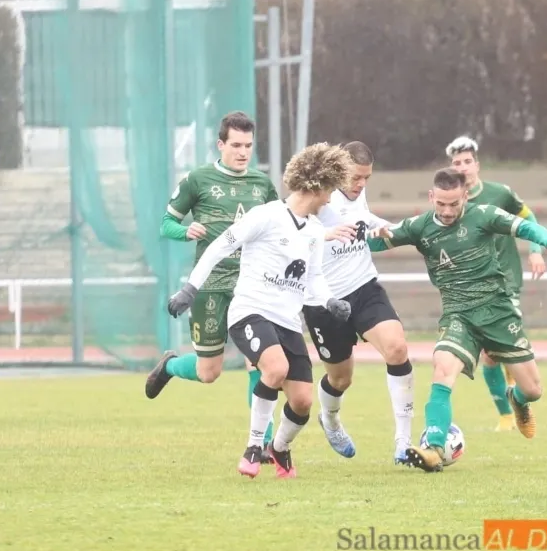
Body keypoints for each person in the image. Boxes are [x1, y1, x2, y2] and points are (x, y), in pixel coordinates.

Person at [367, 168, 547, 473]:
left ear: (465, 195)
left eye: (454, 203)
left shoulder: (485, 215)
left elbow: (525, 226)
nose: (447, 211)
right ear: (431, 197)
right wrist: (375, 235)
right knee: (442, 366)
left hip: (497, 312)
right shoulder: (418, 226)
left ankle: (515, 400)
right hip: (458, 314)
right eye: (441, 204)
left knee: (533, 390)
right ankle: (434, 448)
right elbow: (374, 244)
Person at [165, 143, 354, 479]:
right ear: (317, 185)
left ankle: (278, 449)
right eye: (329, 192)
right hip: (250, 312)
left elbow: (314, 279)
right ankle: (253, 446)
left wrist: (329, 302)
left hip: (287, 322)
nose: (329, 200)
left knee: (302, 402)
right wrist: (190, 289)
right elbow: (218, 247)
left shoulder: (312, 231)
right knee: (275, 368)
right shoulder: (266, 215)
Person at [145, 111, 278, 463]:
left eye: (248, 146)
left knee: (260, 364)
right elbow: (165, 224)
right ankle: (171, 366)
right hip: (209, 287)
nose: (242, 152)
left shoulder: (262, 184)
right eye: (235, 145)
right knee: (209, 373)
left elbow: (278, 229)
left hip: (251, 288)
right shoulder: (197, 180)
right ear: (220, 144)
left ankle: (262, 443)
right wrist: (184, 230)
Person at [303, 141, 416, 465]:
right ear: (338, 171)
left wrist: (382, 226)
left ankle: (403, 442)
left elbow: (359, 215)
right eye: (355, 178)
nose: (360, 184)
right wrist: (324, 234)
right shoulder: (317, 195)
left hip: (363, 286)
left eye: (367, 178)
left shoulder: (358, 191)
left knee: (396, 348)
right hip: (325, 299)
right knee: (341, 378)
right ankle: (331, 420)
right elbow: (292, 231)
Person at [445, 136, 547, 432]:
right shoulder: (451, 202)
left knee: (491, 353)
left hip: (506, 280)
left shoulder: (500, 194)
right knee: (490, 357)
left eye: (466, 161)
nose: (462, 167)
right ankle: (507, 412)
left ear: (476, 164)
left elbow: (530, 217)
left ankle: (514, 402)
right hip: (473, 285)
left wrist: (536, 250)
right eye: (456, 163)